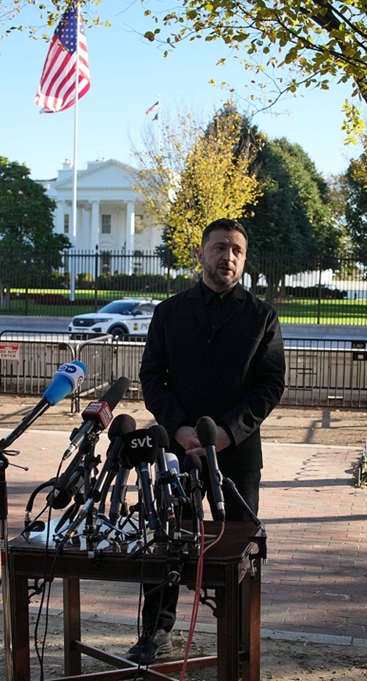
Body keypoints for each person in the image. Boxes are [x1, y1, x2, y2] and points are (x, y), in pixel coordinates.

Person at [130, 218, 287, 664]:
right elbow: (151, 378)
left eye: (237, 249)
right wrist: (178, 427)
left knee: (237, 550)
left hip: (236, 455)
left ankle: (237, 635)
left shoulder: (262, 316)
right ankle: (155, 633)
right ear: (200, 254)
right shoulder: (169, 313)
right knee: (167, 543)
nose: (228, 257)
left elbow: (270, 385)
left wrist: (226, 433)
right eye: (219, 247)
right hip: (176, 451)